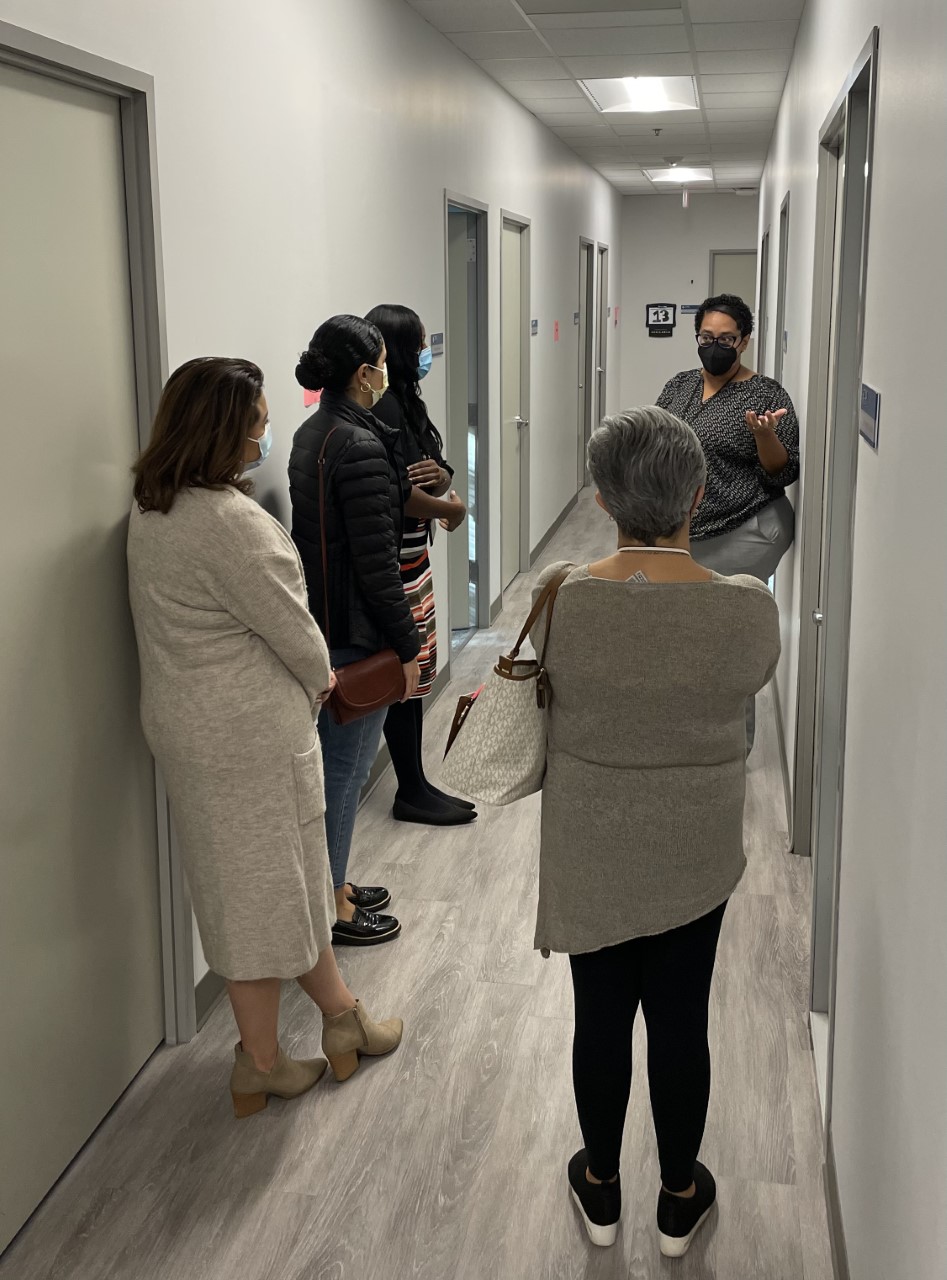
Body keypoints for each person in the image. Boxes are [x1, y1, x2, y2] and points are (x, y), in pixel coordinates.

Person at [529, 407, 780, 1258]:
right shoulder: (745, 610)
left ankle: (599, 1187)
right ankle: (678, 1199)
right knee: (680, 1019)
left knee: (598, 1015)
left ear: (602, 499)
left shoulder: (563, 596)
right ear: (700, 494)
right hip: (694, 843)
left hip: (587, 835)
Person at [127, 357, 402, 1117]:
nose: (261, 438)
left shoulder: (153, 506)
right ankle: (264, 1060)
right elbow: (303, 642)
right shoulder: (232, 524)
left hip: (189, 729)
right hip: (250, 735)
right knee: (268, 891)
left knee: (259, 886)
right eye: (255, 425)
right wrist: (322, 680)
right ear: (223, 431)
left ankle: (333, 1024)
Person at [290, 315, 420, 947]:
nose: (388, 371)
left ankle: (335, 885)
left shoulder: (314, 431)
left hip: (324, 621)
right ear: (364, 372)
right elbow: (378, 567)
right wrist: (408, 646)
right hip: (356, 633)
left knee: (334, 772)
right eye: (382, 362)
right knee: (343, 773)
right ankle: (333, 908)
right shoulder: (361, 445)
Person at [656, 292, 798, 754]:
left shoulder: (766, 394)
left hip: (748, 528)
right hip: (687, 529)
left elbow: (783, 471)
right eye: (706, 337)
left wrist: (764, 437)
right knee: (684, 632)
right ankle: (687, 729)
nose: (715, 346)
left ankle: (732, 745)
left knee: (725, 633)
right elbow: (658, 439)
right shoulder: (679, 386)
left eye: (727, 339)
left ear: (745, 341)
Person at [365, 303, 476, 826]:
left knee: (417, 676)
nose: (426, 353)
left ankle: (416, 781)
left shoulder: (406, 401)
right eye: (419, 344)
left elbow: (432, 465)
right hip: (397, 560)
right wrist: (453, 508)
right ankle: (410, 790)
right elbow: (402, 493)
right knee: (405, 678)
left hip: (414, 557)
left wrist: (444, 480)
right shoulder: (382, 408)